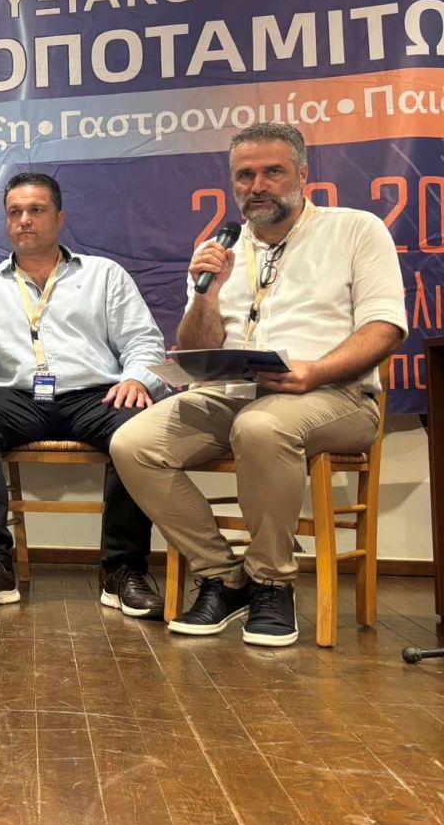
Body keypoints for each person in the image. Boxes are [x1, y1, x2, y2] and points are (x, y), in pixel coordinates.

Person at [110, 124, 405, 646]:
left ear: (303, 174)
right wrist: (207, 294)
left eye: (273, 172)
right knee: (132, 444)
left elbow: (384, 328)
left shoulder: (356, 230)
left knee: (261, 427)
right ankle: (224, 577)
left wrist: (315, 372)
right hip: (232, 394)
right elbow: (196, 344)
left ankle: (272, 582)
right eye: (245, 176)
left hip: (335, 395)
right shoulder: (220, 250)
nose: (258, 186)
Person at [0, 172, 168, 615]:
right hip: (20, 400)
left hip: (95, 396)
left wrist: (136, 379)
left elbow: (144, 342)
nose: (24, 220)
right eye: (15, 212)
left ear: (60, 218)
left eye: (36, 210)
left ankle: (123, 570)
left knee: (138, 431)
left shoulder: (104, 275)